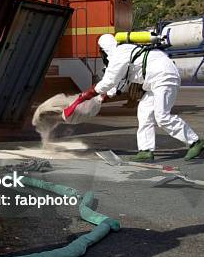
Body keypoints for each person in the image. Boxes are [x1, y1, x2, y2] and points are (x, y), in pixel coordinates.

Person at [73, 33, 203, 162]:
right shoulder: (124, 51)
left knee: (162, 116)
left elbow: (109, 81)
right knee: (144, 111)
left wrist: (88, 94)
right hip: (155, 80)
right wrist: (102, 97)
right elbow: (120, 84)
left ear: (104, 50)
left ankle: (195, 142)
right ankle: (146, 150)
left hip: (164, 77)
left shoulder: (119, 55)